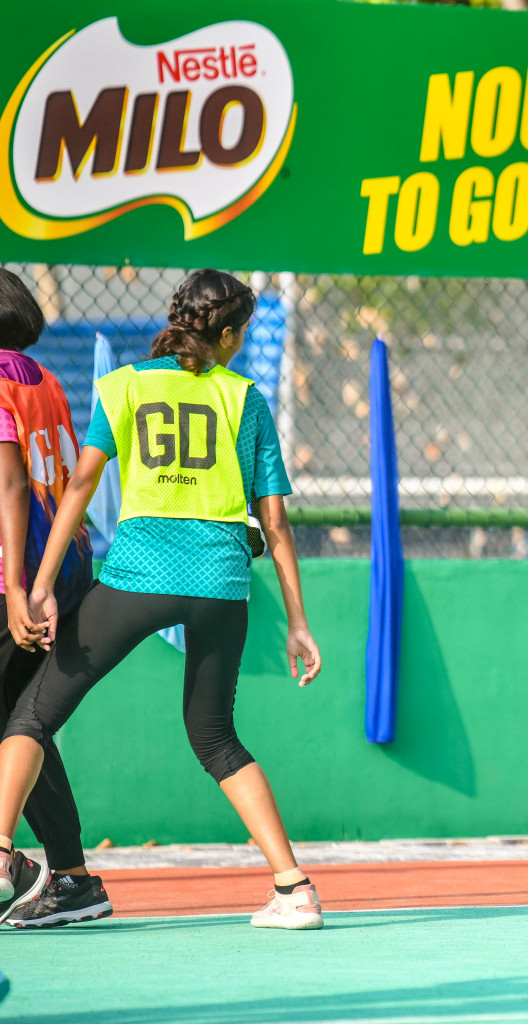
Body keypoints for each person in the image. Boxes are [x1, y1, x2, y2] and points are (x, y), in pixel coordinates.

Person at [0, 269, 325, 929]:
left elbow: (80, 488)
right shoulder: (246, 398)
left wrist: (36, 584)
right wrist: (297, 622)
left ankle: (2, 850)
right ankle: (295, 889)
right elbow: (279, 524)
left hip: (138, 578)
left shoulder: (124, 386)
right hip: (221, 586)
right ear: (228, 335)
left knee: (30, 717)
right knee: (216, 738)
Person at [0, 269, 111, 927]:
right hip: (64, 571)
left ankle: (19, 864)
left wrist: (17, 588)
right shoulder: (40, 381)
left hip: (17, 581)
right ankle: (71, 877)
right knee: (23, 721)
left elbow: (12, 487)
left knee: (21, 720)